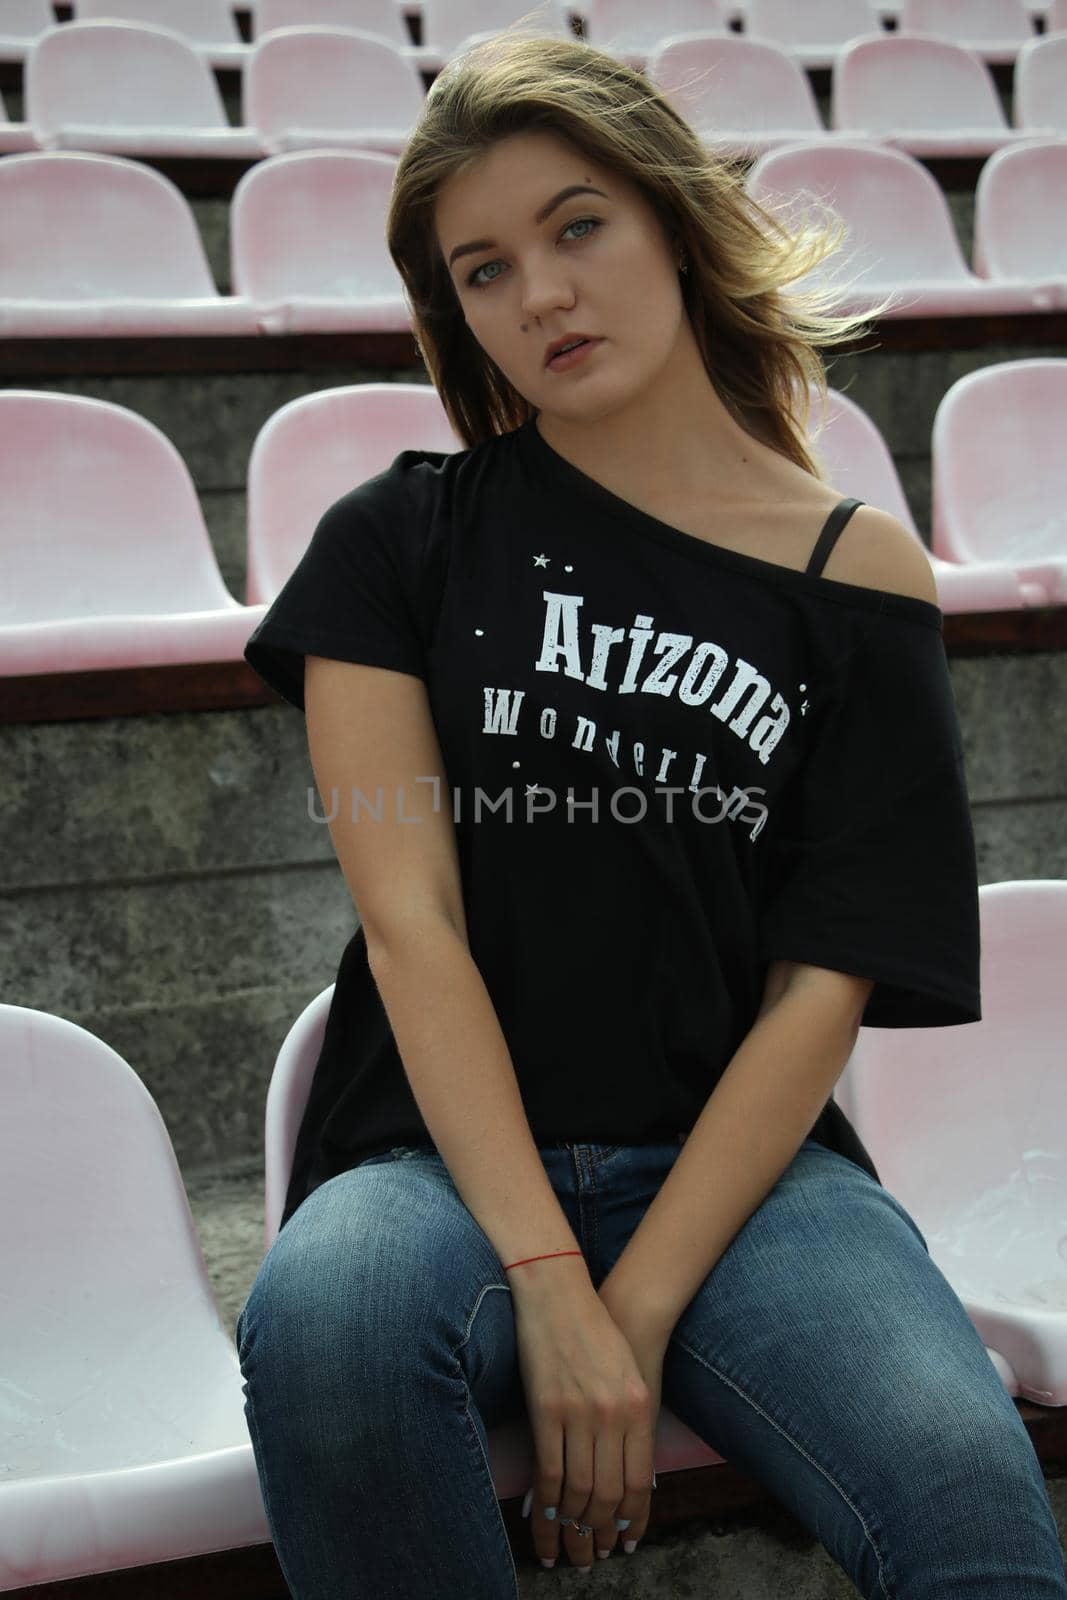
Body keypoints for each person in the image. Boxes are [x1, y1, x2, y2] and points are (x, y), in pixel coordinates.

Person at [234, 27, 1067, 1600]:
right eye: (482, 269)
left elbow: (828, 979)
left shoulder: (861, 577)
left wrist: (634, 1302)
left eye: (577, 225)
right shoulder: (394, 543)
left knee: (966, 1497)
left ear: (675, 223)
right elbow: (413, 933)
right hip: (434, 1174)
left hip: (746, 1180)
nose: (539, 293)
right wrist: (546, 1272)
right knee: (330, 1317)